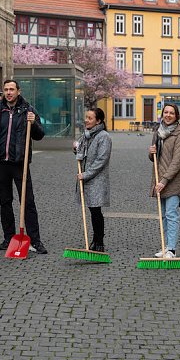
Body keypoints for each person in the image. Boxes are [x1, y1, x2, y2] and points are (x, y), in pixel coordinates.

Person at [0, 79, 48, 254]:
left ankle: (35, 240)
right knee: (5, 202)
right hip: (1, 162)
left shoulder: (28, 110)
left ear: (18, 91)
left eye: (12, 89)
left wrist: (33, 124)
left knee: (28, 201)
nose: (9, 92)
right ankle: (8, 237)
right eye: (6, 89)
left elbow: (40, 135)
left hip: (20, 163)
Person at [148, 104, 180, 258]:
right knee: (163, 215)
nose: (168, 115)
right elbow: (154, 158)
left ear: (176, 116)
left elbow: (178, 160)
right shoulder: (158, 132)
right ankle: (166, 247)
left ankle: (172, 249)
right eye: (166, 112)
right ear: (162, 114)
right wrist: (151, 153)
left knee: (171, 214)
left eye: (172, 113)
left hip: (172, 180)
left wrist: (164, 181)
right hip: (159, 178)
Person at [75, 107, 112, 252]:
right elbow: (81, 152)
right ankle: (96, 240)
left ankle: (99, 241)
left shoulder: (104, 137)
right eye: (86, 117)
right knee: (92, 210)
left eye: (90, 118)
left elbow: (101, 160)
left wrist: (85, 174)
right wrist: (76, 148)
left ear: (98, 121)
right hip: (87, 179)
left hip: (97, 179)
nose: (86, 120)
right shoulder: (86, 135)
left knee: (96, 210)